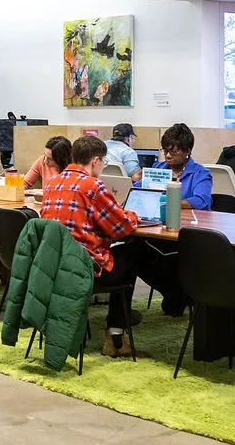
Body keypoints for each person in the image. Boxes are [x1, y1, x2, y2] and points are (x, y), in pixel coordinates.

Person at [38, 135, 157, 346]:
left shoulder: (51, 184)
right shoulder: (94, 187)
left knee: (124, 254)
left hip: (54, 266)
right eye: (104, 162)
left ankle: (118, 330)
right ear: (95, 160)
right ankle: (116, 334)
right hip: (84, 269)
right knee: (133, 251)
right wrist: (133, 215)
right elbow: (120, 227)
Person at [157, 124, 215, 213]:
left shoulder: (200, 174)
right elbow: (137, 189)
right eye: (165, 151)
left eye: (174, 152)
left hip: (189, 221)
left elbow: (202, 201)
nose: (168, 156)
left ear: (187, 151)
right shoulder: (159, 168)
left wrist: (169, 203)